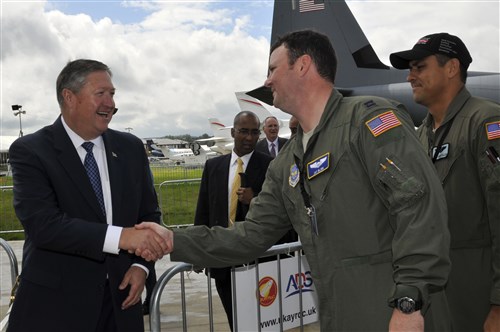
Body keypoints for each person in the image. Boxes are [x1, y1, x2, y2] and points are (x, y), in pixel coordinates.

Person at [136, 30, 452, 331]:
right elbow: (250, 237)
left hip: (396, 314)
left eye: (273, 68)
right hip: (339, 316)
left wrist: (409, 301)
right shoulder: (287, 162)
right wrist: (173, 241)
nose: (267, 79)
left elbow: (419, 209)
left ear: (302, 66)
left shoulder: (366, 123)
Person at [8, 59, 168, 332]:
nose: (110, 104)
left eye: (113, 94)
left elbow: (148, 215)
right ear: (69, 97)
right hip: (55, 308)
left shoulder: (129, 148)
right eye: (101, 94)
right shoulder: (31, 151)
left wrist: (141, 267)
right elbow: (44, 226)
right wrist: (122, 237)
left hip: (121, 303)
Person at [390, 32, 500, 332]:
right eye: (410, 68)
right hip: (436, 297)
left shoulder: (486, 122)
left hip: (478, 294)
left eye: (420, 67)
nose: (410, 76)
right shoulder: (421, 135)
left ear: (451, 68)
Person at [194, 110, 296, 330]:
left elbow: (282, 211)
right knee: (236, 322)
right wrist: (198, 250)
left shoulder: (271, 166)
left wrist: (254, 200)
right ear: (233, 132)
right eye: (243, 132)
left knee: (264, 322)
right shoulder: (214, 167)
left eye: (253, 132)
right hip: (223, 259)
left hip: (260, 262)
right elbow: (204, 210)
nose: (249, 138)